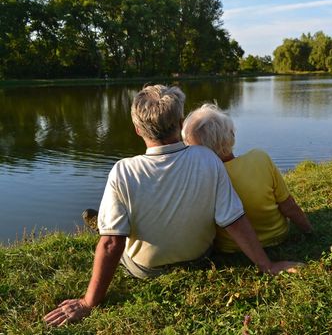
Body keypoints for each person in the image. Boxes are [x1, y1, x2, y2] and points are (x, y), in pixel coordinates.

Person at [44, 85, 299, 327]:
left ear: (137, 129)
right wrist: (267, 265)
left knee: (109, 235)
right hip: (200, 257)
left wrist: (89, 302)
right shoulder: (208, 159)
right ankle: (105, 222)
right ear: (179, 124)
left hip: (146, 270)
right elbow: (233, 219)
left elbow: (112, 245)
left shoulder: (123, 171)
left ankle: (105, 223)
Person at [182, 103, 313, 253]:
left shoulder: (202, 178)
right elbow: (288, 205)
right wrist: (308, 231)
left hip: (231, 247)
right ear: (231, 135)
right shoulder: (260, 158)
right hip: (277, 236)